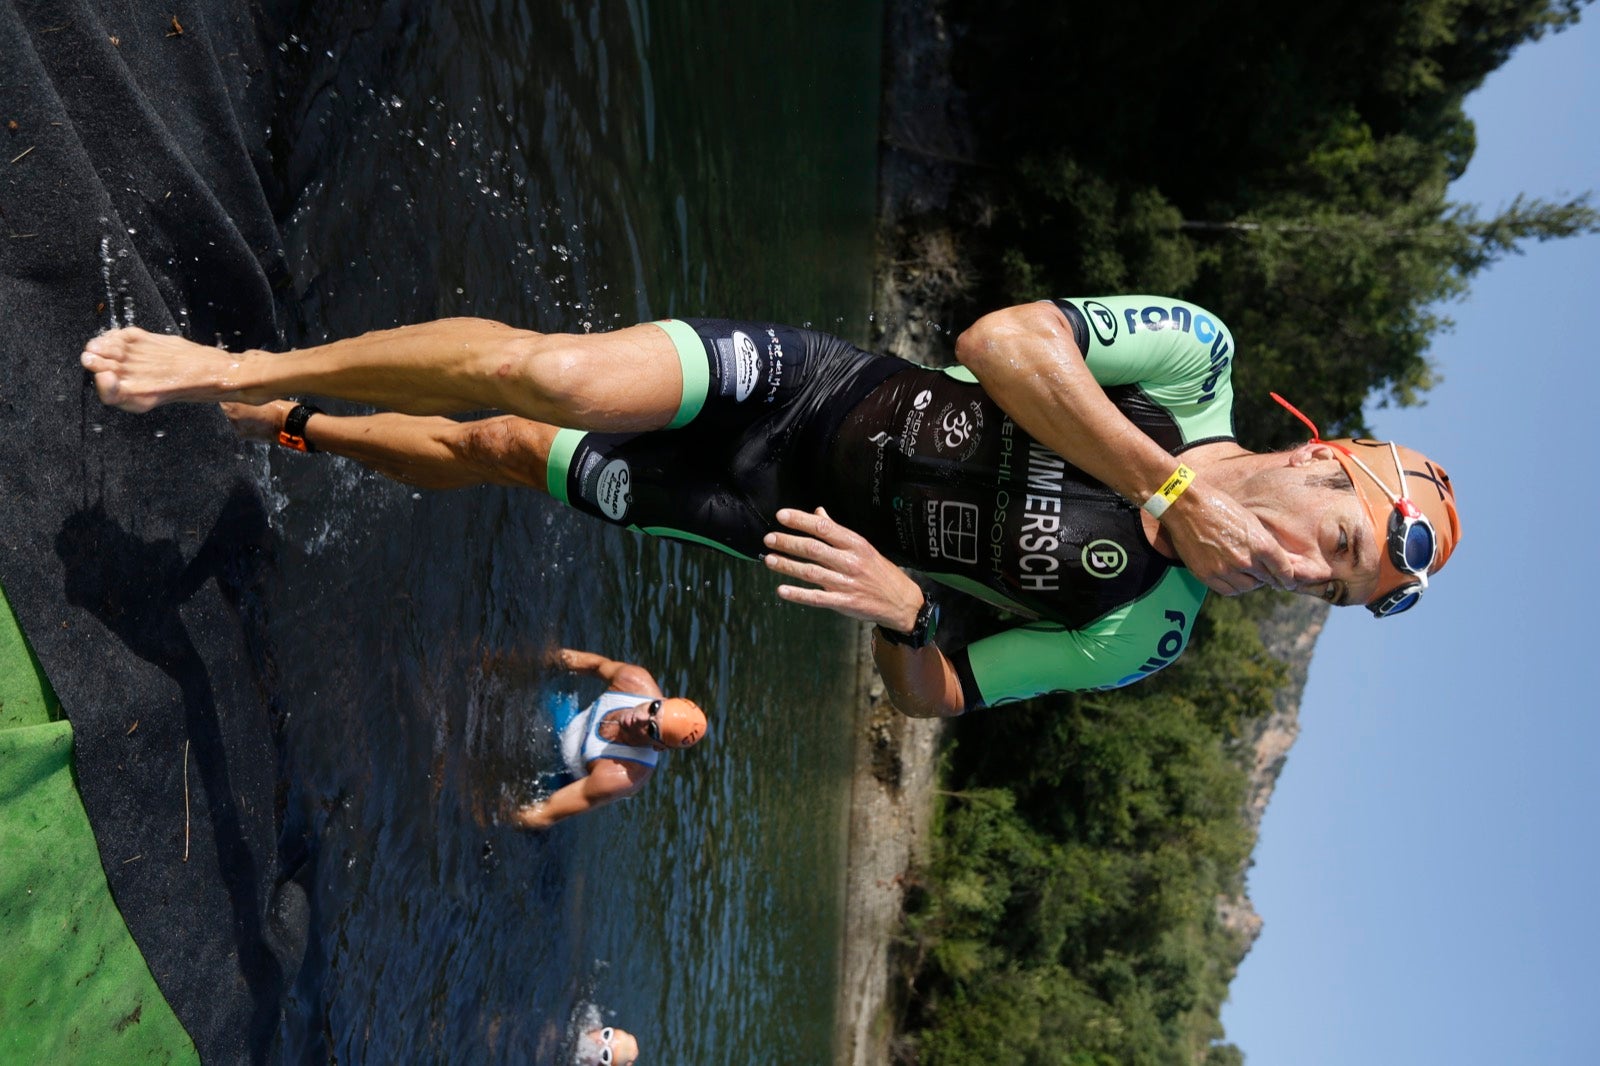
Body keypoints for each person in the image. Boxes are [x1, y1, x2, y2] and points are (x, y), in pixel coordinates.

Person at [80, 296, 1461, 716]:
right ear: (1322, 456)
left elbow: (939, 695)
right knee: (551, 375)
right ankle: (235, 368)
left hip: (757, 508)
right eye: (1323, 538)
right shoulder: (1196, 362)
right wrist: (1165, 481)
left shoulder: (1148, 627)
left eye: (1320, 586)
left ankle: (312, 422)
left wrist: (910, 609)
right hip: (816, 387)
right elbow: (1000, 344)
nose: (1290, 564)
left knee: (506, 444)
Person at [511, 648, 705, 831]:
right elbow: (594, 664)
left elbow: (542, 814)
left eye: (652, 729)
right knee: (522, 673)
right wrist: (537, 658)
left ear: (658, 747)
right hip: (568, 720)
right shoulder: (636, 681)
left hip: (563, 775)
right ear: (662, 699)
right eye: (654, 708)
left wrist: (494, 811)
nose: (641, 718)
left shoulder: (621, 776)